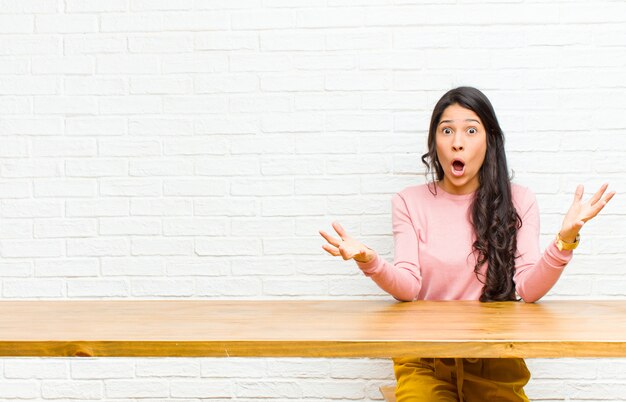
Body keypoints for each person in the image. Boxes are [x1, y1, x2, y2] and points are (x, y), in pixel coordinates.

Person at [318, 86, 615, 402]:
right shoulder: (409, 201)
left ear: (489, 139)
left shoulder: (520, 201)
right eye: (447, 130)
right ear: (435, 142)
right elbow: (408, 287)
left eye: (470, 130)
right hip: (423, 359)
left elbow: (528, 289)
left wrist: (566, 240)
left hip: (496, 358)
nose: (457, 142)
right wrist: (370, 261)